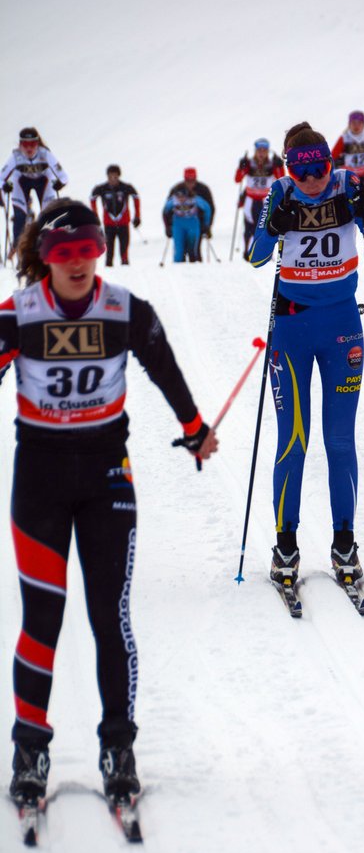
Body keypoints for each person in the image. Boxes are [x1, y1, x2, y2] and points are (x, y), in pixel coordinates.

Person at [0, 198, 218, 805]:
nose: (78, 264)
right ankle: (29, 750)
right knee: (42, 619)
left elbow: (165, 370)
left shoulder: (126, 311)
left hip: (106, 479)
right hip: (40, 481)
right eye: (64, 253)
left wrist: (197, 429)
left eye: (88, 250)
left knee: (109, 619)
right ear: (44, 258)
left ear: (100, 250)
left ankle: (118, 745)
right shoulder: (18, 314)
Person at [248, 122, 364, 587]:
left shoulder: (349, 185)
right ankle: (285, 545)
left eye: (320, 167)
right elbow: (255, 257)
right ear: (289, 166)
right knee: (293, 440)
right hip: (291, 329)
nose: (312, 180)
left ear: (332, 162)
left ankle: (344, 541)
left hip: (342, 328)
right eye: (301, 168)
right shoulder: (281, 190)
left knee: (341, 441)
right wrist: (272, 226)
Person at [1, 128, 69, 256]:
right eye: (25, 144)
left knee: (48, 214)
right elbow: (1, 177)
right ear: (20, 144)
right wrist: (5, 186)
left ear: (37, 143)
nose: (28, 149)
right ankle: (18, 248)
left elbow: (63, 175)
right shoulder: (16, 156)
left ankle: (50, 244)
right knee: (20, 216)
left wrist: (60, 183)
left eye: (32, 144)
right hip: (21, 182)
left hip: (43, 181)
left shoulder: (45, 153)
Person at [234, 138, 284, 259]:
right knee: (249, 226)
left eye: (264, 150)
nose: (261, 153)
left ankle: (264, 252)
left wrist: (279, 166)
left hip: (265, 199)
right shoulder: (249, 163)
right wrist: (241, 166)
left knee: (265, 226)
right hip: (250, 200)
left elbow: (281, 178)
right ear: (255, 151)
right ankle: (246, 252)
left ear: (268, 151)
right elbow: (238, 179)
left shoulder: (272, 164)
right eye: (259, 150)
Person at [90, 164, 141, 266]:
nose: (113, 179)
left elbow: (136, 197)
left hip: (123, 223)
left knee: (124, 251)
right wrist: (95, 216)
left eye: (115, 177)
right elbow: (92, 198)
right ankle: (109, 269)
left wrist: (137, 216)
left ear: (119, 176)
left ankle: (126, 268)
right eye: (110, 177)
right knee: (109, 251)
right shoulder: (102, 188)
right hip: (109, 224)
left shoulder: (125, 187)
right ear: (107, 177)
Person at [166, 169, 215, 259]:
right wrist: (168, 226)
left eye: (192, 180)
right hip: (179, 224)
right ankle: (179, 271)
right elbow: (166, 210)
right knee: (180, 251)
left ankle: (197, 270)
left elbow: (210, 208)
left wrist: (207, 226)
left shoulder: (203, 190)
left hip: (197, 224)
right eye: (188, 181)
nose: (190, 183)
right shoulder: (176, 189)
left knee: (194, 250)